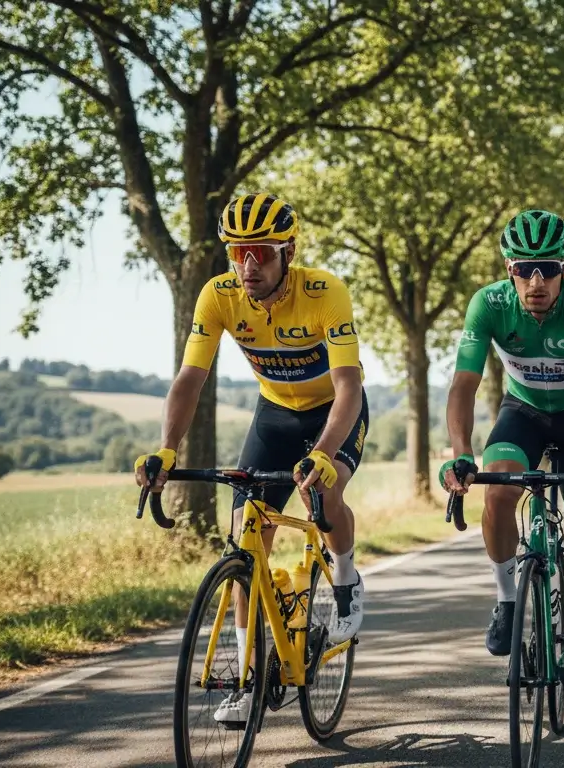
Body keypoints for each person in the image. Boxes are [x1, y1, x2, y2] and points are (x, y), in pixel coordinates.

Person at [134, 193, 370, 726]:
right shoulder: (217, 295)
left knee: (324, 493)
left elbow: (349, 385)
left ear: (287, 250)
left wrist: (324, 455)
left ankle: (347, 577)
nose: (248, 265)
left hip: (333, 411)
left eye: (260, 252)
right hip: (275, 414)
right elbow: (190, 379)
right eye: (237, 253)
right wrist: (167, 449)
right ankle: (246, 676)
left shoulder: (325, 291)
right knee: (244, 536)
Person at [441, 209, 564, 722]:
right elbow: (464, 385)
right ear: (509, 269)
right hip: (521, 412)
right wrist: (460, 451)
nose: (536, 280)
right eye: (523, 269)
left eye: (547, 268)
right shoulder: (489, 304)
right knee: (498, 491)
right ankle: (507, 598)